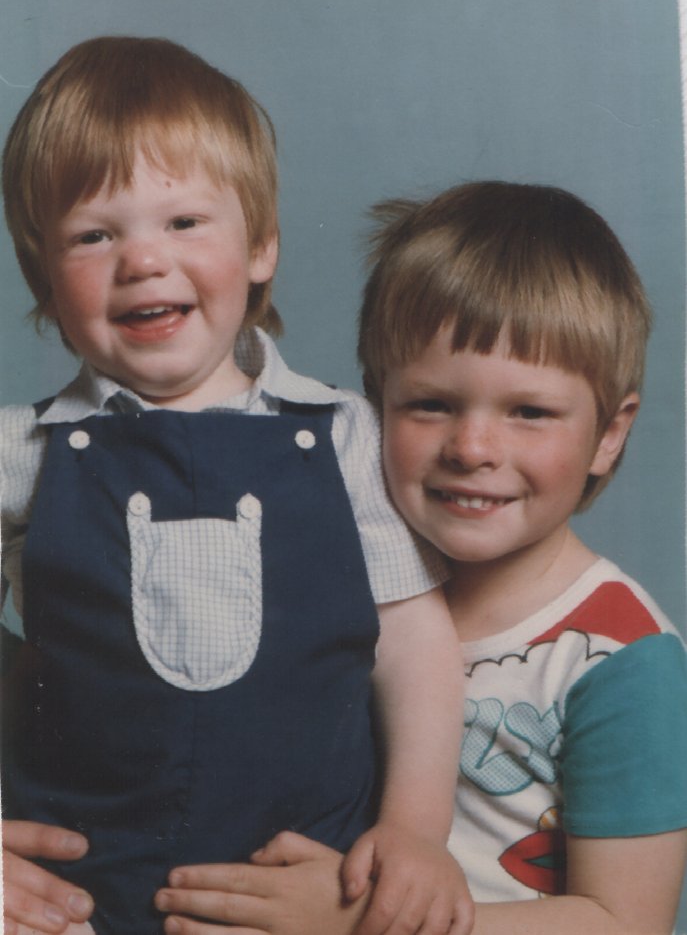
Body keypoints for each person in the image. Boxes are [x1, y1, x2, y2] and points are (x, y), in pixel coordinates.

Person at [0, 37, 474, 935]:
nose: (143, 260)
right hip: (77, 897)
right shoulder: (23, 451)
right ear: (45, 281)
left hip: (304, 891)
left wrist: (416, 831)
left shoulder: (343, 435)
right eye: (94, 235)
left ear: (260, 246)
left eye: (184, 222)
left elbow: (413, 643)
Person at [151, 181, 687, 935]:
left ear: (609, 433)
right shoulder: (321, 575)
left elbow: (626, 923)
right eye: (430, 404)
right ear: (371, 409)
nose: (472, 447)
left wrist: (356, 924)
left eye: (529, 411)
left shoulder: (621, 660)